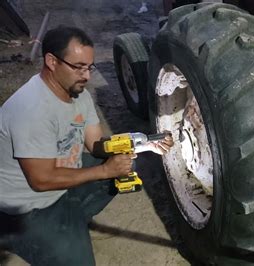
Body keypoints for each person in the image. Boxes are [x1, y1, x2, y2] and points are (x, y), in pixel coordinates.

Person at [0, 26, 174, 265]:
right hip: (27, 210)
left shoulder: (77, 93)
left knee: (124, 164)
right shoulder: (31, 110)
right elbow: (40, 180)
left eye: (89, 67)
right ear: (51, 61)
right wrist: (105, 171)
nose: (87, 75)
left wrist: (141, 142)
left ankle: (73, 218)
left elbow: (96, 145)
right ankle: (32, 235)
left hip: (56, 180)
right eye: (78, 67)